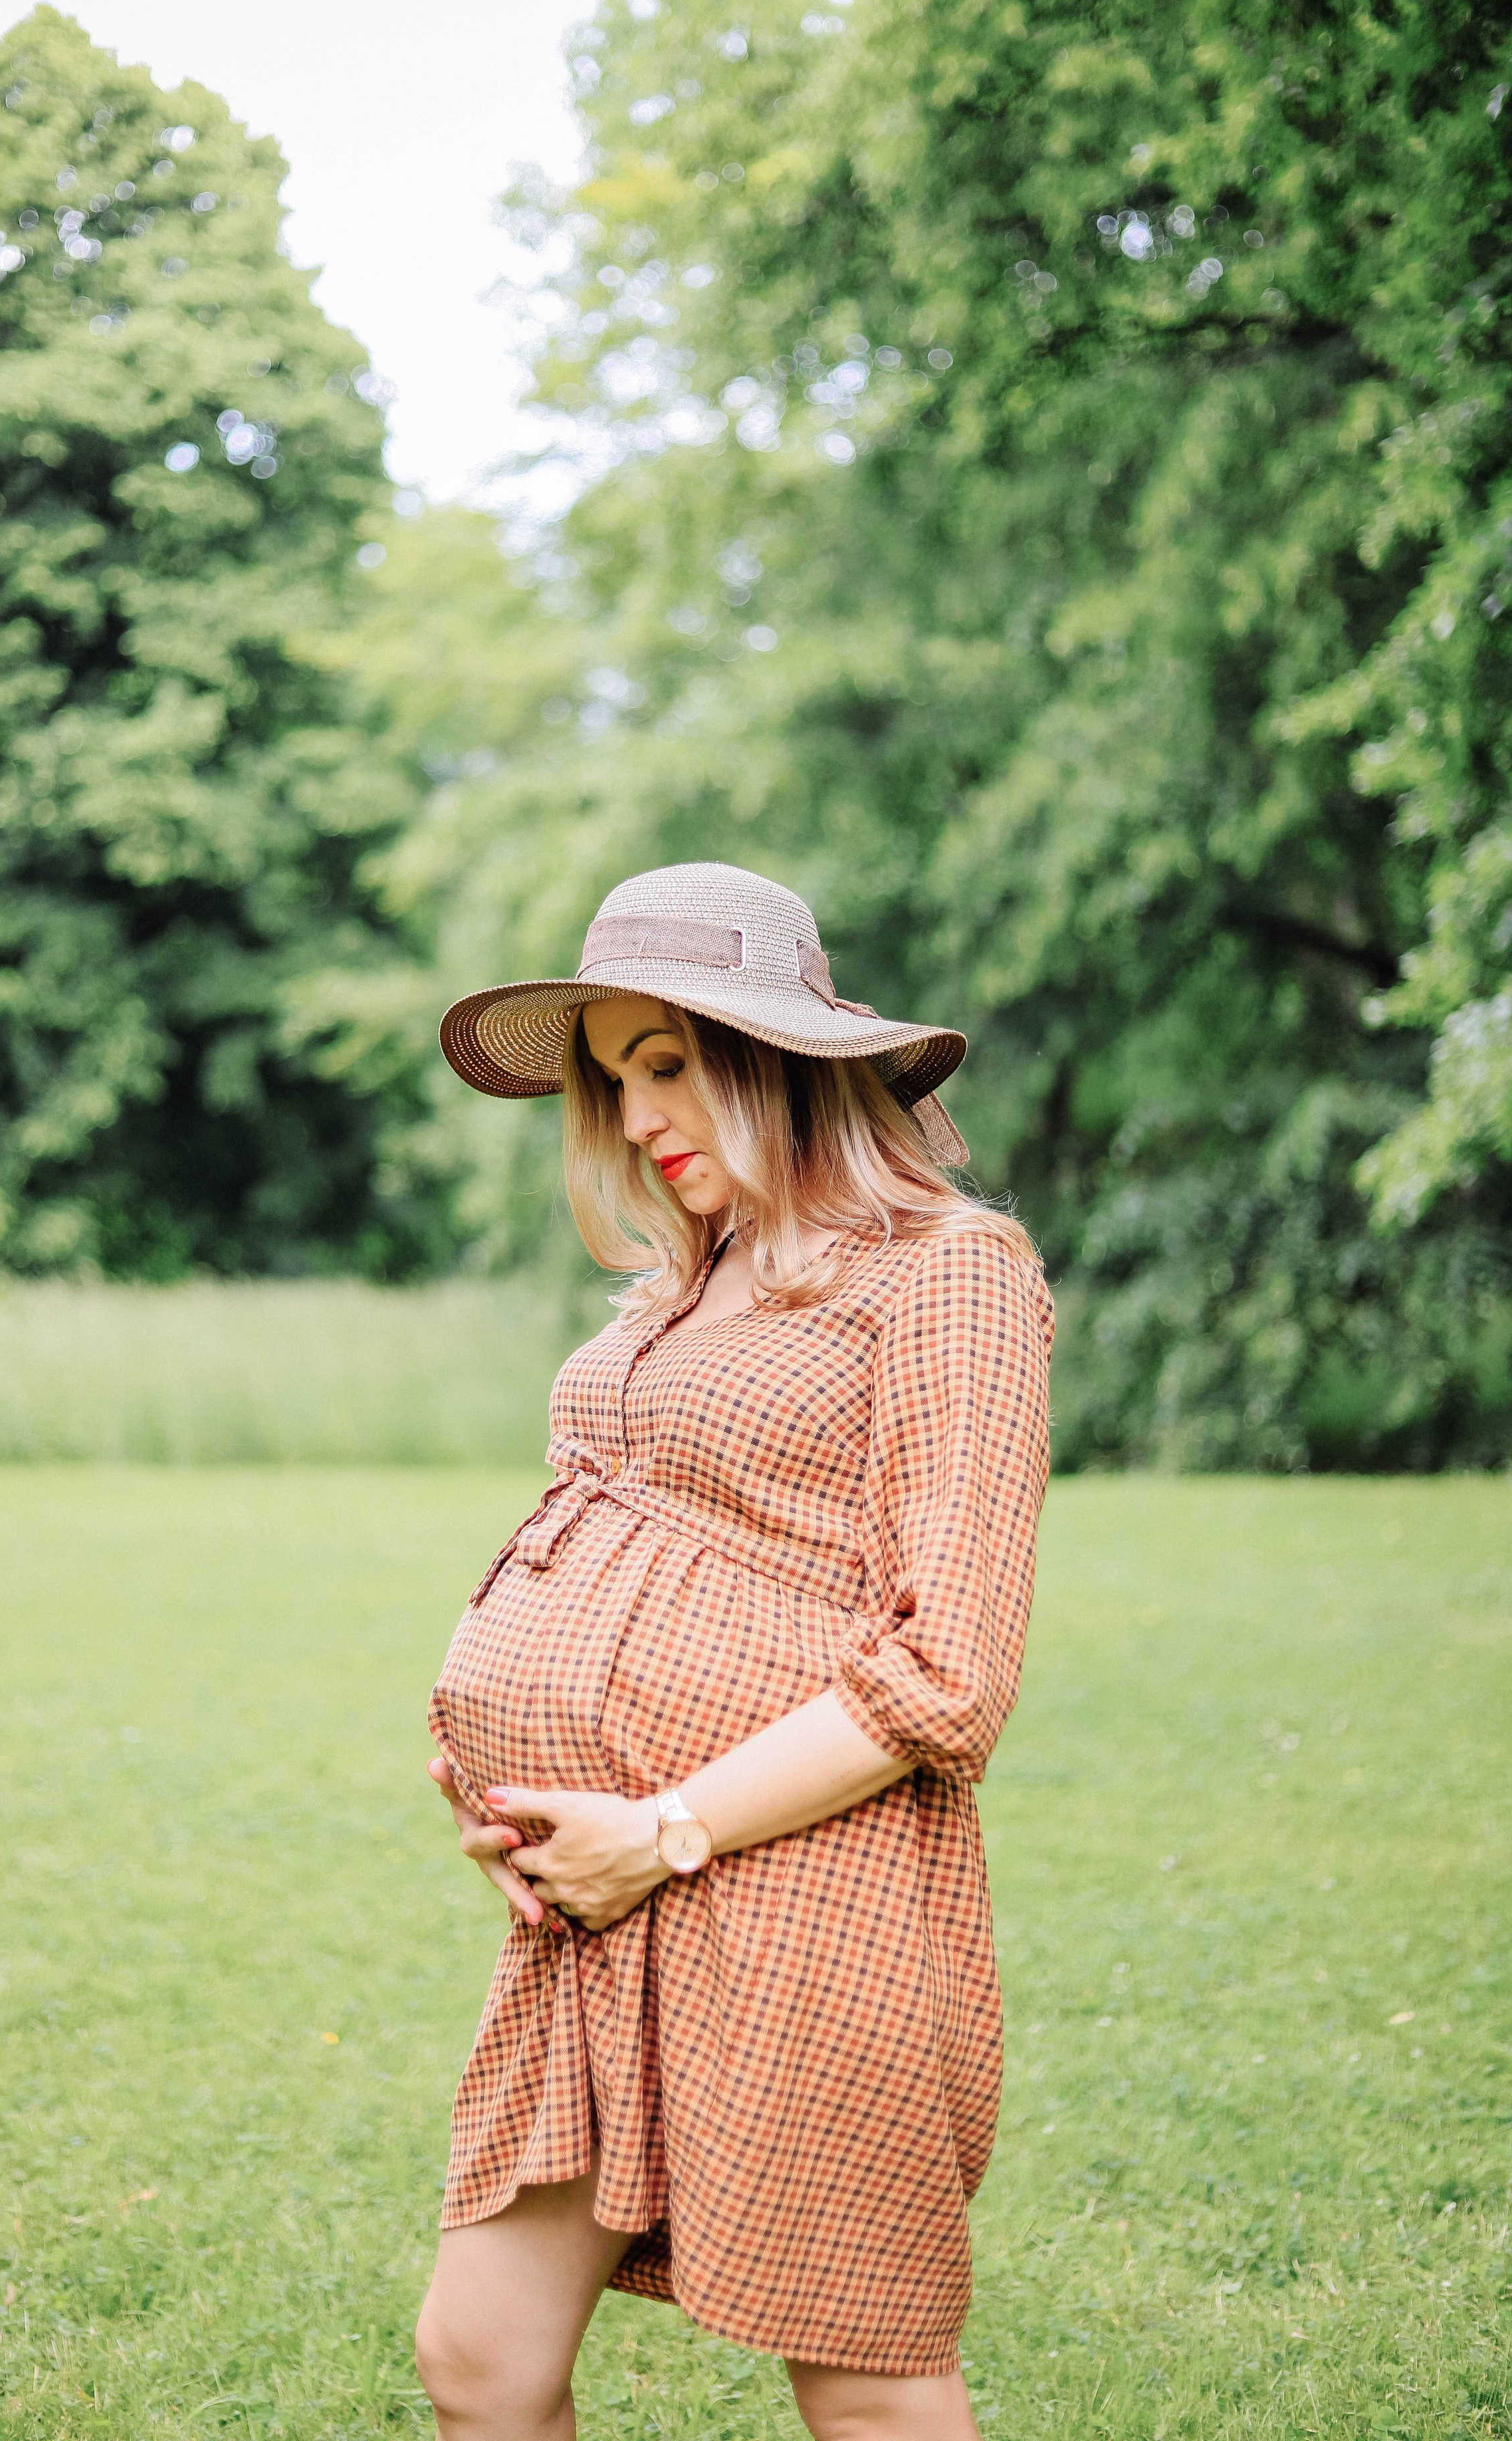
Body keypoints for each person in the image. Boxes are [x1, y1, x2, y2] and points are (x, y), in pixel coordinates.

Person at [418, 862, 1053, 2441]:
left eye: (667, 1062)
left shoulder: (946, 1273)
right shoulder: (665, 1300)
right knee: (479, 2357)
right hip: (597, 1908)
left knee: (867, 2380)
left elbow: (952, 1660)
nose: (635, 1119)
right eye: (613, 1077)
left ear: (778, 1056)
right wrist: (503, 1790)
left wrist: (666, 1825)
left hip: (802, 1892)